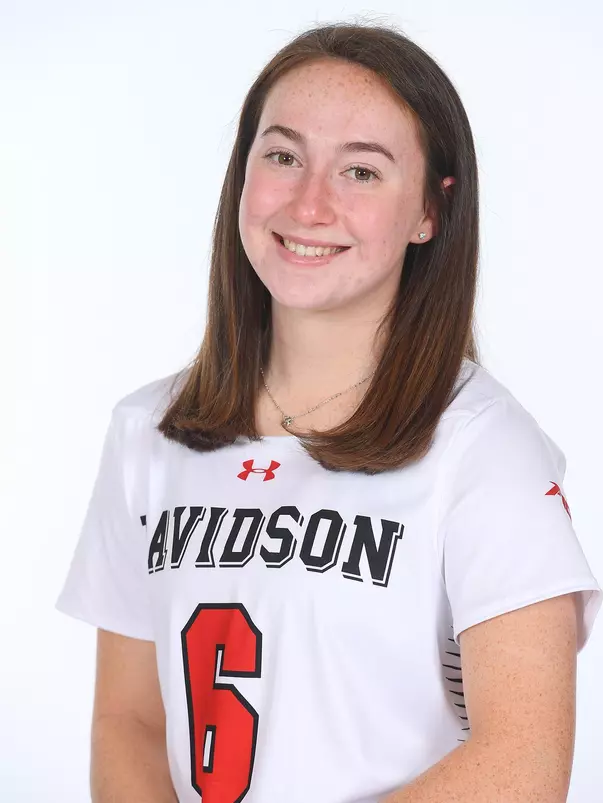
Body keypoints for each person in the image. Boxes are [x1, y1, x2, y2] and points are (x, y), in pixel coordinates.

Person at [56, 21, 602, 803]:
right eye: (282, 156)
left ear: (429, 212)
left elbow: (522, 764)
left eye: (361, 172)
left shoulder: (482, 446)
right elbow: (129, 722)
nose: (310, 203)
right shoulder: (147, 431)